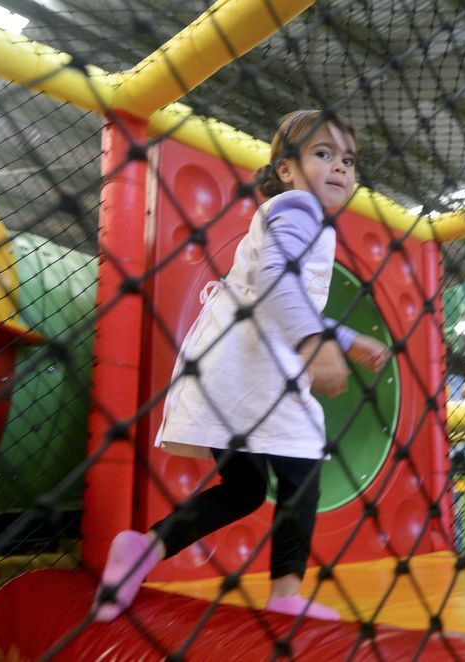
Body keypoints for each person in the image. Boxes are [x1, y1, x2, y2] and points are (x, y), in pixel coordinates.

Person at [94, 109, 391, 623]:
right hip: (254, 368)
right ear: (287, 171)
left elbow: (286, 295)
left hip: (224, 368)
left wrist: (342, 337)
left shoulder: (299, 218)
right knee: (303, 464)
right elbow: (278, 280)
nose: (340, 168)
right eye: (323, 154)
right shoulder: (299, 209)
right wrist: (313, 343)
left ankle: (144, 550)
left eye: (348, 159)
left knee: (246, 491)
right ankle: (286, 593)